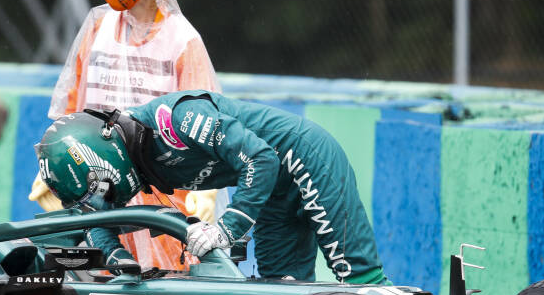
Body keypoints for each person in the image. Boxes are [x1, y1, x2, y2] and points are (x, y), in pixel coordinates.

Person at [34, 91, 387, 284]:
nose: (103, 198)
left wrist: (227, 229)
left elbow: (261, 159)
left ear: (103, 158)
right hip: (271, 193)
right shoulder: (132, 155)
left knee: (358, 278)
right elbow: (99, 222)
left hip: (304, 156)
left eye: (99, 189)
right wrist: (122, 264)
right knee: (284, 292)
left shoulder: (175, 119)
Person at [29, 0, 221, 271]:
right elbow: (73, 103)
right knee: (95, 272)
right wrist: (50, 165)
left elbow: (207, 118)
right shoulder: (98, 28)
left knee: (165, 281)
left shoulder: (182, 41)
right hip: (93, 177)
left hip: (159, 186)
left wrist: (205, 189)